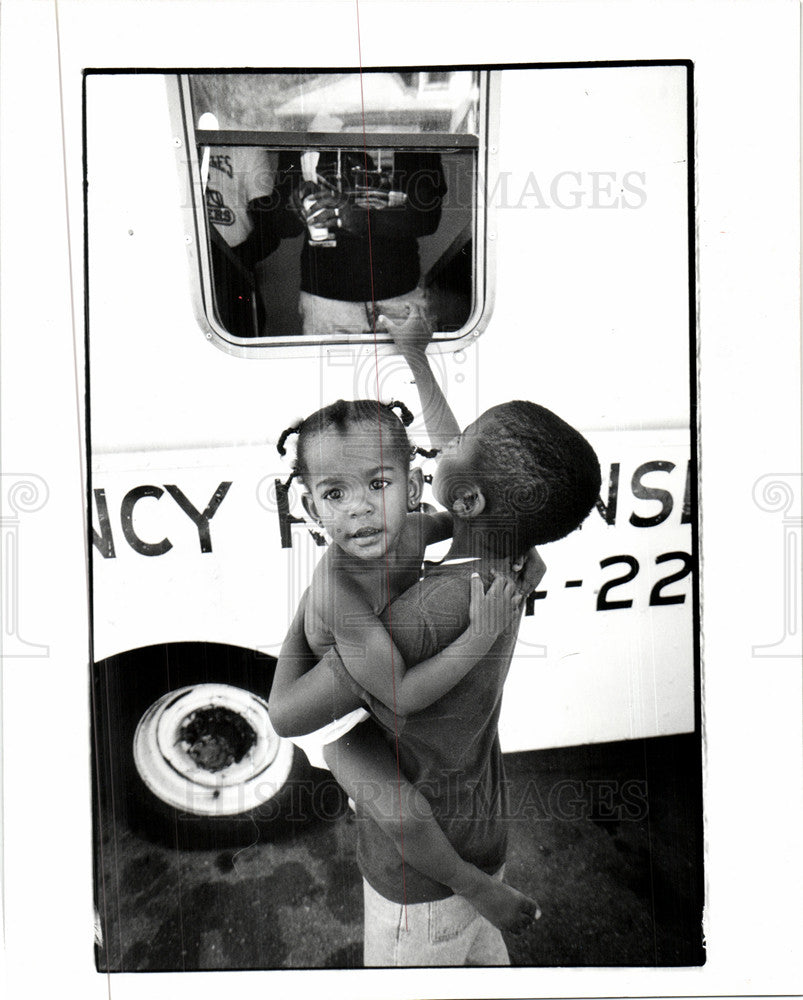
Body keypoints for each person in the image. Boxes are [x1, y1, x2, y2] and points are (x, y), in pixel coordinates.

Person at [269, 308, 601, 965]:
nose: (438, 445)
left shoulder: (424, 609)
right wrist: (415, 356)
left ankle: (473, 891)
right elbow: (463, 466)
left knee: (357, 762)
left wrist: (317, 621)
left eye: (444, 453)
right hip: (480, 823)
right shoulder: (511, 558)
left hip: (418, 885)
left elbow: (289, 716)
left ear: (440, 489)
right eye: (337, 492)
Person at [269, 395, 541, 934]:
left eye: (379, 484)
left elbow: (476, 499)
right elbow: (403, 695)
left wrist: (521, 547)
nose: (359, 508)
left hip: (370, 689)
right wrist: (480, 636)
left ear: (413, 488)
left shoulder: (416, 531)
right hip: (324, 714)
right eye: (334, 494)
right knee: (405, 815)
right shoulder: (340, 590)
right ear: (311, 510)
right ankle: (476, 887)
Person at [271, 133, 446, 336]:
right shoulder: (304, 120)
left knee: (404, 369)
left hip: (399, 297)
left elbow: (428, 217)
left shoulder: (407, 119)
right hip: (327, 304)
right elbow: (283, 227)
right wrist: (294, 205)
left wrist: (361, 219)